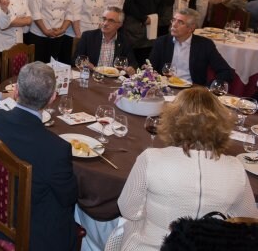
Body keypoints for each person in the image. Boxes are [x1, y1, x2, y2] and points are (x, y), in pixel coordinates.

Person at [109, 87, 258, 251]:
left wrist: (154, 213)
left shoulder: (151, 158)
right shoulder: (236, 167)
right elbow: (247, 218)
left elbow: (128, 210)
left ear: (173, 120)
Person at [0, 62, 78, 251]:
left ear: (16, 92)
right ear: (52, 98)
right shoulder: (56, 149)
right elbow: (69, 197)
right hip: (30, 232)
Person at [149, 8, 233, 85]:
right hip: (165, 88)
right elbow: (150, 69)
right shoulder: (161, 42)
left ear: (191, 28)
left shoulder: (204, 45)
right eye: (174, 20)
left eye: (180, 22)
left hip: (192, 91)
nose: (174, 25)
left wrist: (209, 87)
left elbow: (226, 71)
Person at [74, 6, 137, 74]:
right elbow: (76, 59)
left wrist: (131, 68)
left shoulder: (124, 40)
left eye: (111, 21)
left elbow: (133, 63)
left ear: (119, 24)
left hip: (113, 80)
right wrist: (85, 64)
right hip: (92, 76)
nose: (105, 23)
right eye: (104, 19)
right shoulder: (88, 36)